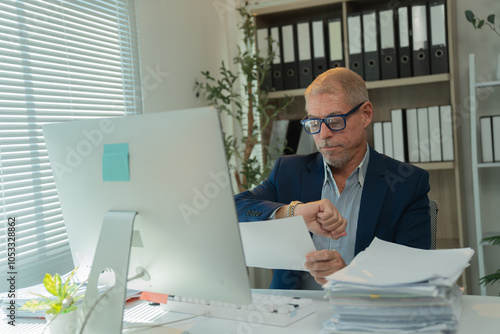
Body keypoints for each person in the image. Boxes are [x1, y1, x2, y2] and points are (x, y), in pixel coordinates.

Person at [234, 67, 431, 289]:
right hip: (293, 313)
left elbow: (414, 275)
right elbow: (233, 208)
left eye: (335, 121)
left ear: (365, 114)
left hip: (367, 313)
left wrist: (348, 276)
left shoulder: (408, 184)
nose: (324, 135)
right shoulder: (288, 171)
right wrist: (293, 212)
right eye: (314, 123)